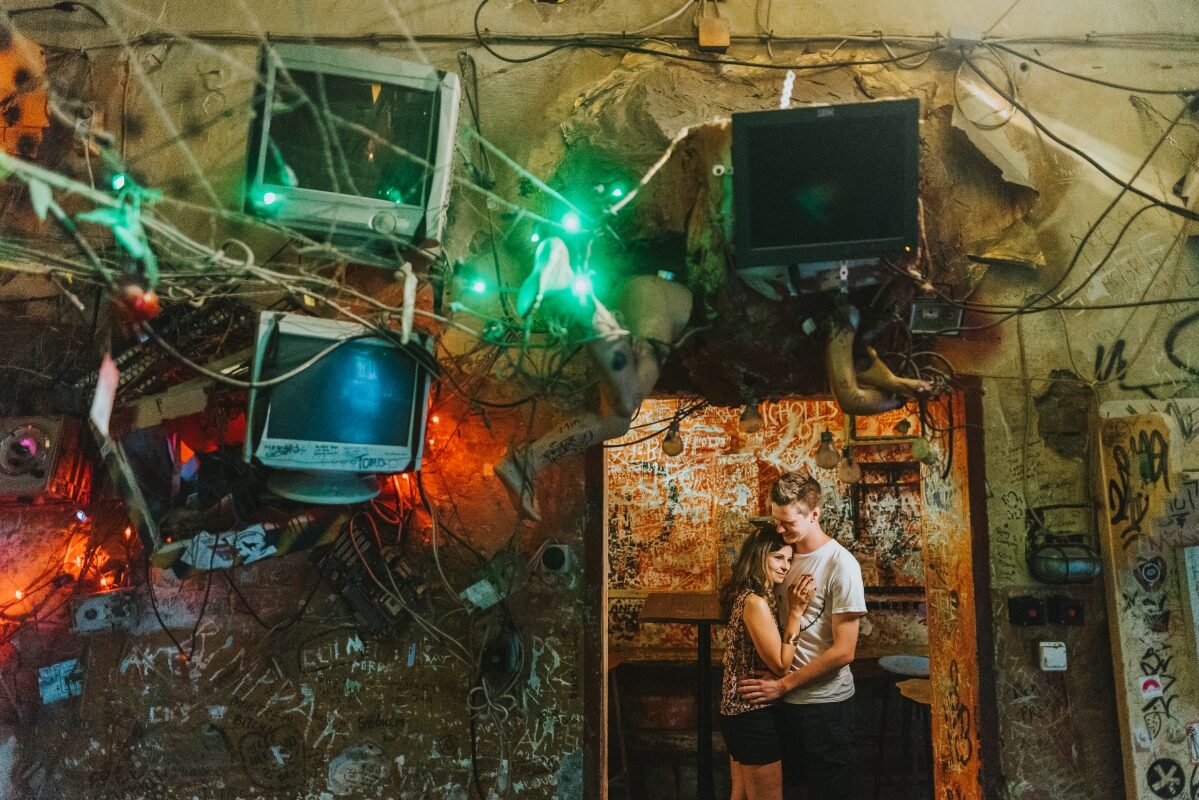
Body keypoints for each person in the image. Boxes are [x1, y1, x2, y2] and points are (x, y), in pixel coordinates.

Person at [496, 267, 693, 521]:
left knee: (616, 422)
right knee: (628, 400)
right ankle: (579, 301)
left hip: (644, 304)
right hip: (653, 299)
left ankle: (526, 461)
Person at [738, 472, 867, 800]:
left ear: (814, 515)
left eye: (788, 523)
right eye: (776, 521)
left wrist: (784, 684)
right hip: (780, 702)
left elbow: (845, 651)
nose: (780, 530)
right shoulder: (781, 553)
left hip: (825, 706)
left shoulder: (842, 565)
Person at [719, 527, 816, 800]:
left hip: (738, 711)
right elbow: (781, 666)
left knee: (740, 795)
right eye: (778, 558)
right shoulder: (755, 603)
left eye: (789, 560)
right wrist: (796, 612)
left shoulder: (749, 596)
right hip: (752, 713)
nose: (785, 566)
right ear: (759, 557)